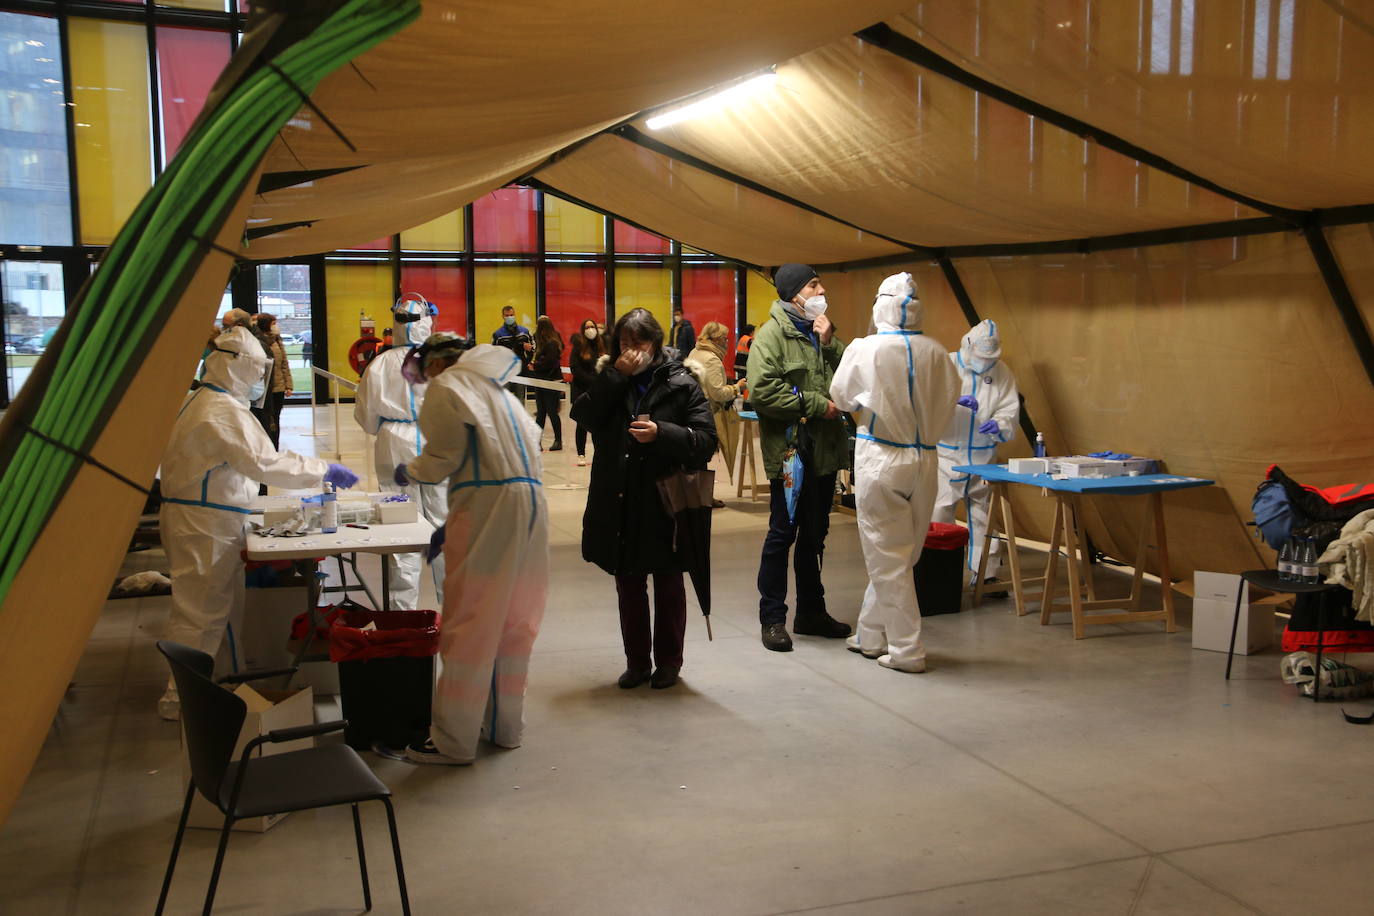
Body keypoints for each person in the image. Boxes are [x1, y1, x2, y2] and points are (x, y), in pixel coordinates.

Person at [158, 325, 359, 720]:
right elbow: (264, 463)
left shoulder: (202, 400)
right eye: (255, 370)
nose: (257, 379)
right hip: (204, 524)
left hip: (205, 518)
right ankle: (178, 698)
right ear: (236, 367)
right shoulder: (220, 411)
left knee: (220, 608)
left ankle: (223, 683)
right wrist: (323, 470)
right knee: (199, 613)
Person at [393, 334, 549, 766]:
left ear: (436, 365)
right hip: (530, 506)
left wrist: (408, 470)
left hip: (488, 506)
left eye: (423, 375)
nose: (425, 384)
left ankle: (452, 740)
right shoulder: (501, 393)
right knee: (516, 618)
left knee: (470, 619)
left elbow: (444, 456)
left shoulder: (450, 385)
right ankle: (504, 728)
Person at [571, 308, 716, 690]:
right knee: (629, 585)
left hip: (665, 502)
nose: (632, 351)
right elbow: (582, 415)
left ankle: (669, 663)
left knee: (669, 584)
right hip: (618, 500)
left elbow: (705, 440)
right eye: (624, 344)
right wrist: (615, 375)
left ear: (655, 343)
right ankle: (636, 662)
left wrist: (663, 433)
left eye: (639, 344)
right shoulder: (611, 378)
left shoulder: (683, 382)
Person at [830, 273, 961, 672]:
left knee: (887, 555)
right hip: (926, 460)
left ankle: (906, 650)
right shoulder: (938, 352)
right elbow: (952, 397)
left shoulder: (865, 349)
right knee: (902, 555)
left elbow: (840, 396)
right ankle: (870, 633)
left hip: (882, 456)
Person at [747, 263, 852, 652]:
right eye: (814, 284)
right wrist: (813, 403)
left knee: (815, 535)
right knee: (782, 535)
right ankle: (772, 618)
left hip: (823, 455)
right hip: (793, 456)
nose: (821, 289)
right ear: (795, 294)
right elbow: (762, 392)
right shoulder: (772, 336)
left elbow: (849, 376)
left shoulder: (819, 333)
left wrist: (831, 343)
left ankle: (811, 612)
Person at [353, 295, 450, 610]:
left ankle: (401, 614)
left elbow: (366, 418)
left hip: (393, 443)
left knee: (401, 526)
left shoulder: (378, 365)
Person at [934, 319, 1020, 588]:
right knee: (940, 512)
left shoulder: (1003, 373)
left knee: (982, 516)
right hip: (947, 455)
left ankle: (987, 573)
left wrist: (1000, 424)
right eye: (981, 356)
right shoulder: (945, 365)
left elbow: (1008, 409)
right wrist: (952, 401)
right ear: (968, 345)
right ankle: (939, 573)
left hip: (983, 456)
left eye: (989, 358)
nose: (985, 362)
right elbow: (923, 402)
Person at [683, 320, 739, 504]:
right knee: (703, 456)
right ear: (717, 339)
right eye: (725, 338)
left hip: (690, 411)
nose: (727, 342)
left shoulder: (695, 351)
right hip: (706, 413)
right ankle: (703, 497)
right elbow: (718, 393)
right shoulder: (712, 359)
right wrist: (736, 388)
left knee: (696, 457)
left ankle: (696, 495)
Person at [568, 317, 606, 467]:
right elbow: (575, 368)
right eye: (587, 327)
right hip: (582, 390)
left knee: (599, 424)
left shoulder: (602, 346)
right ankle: (581, 454)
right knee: (582, 424)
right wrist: (591, 381)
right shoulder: (578, 346)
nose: (591, 330)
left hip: (599, 391)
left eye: (593, 327)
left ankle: (600, 452)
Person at [250, 313, 292, 449]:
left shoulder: (277, 340)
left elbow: (284, 363)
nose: (276, 326)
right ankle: (262, 448)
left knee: (275, 418)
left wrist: (288, 385)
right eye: (274, 323)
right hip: (261, 389)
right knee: (262, 419)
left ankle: (274, 448)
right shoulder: (255, 341)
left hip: (278, 387)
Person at [528, 315, 564, 451]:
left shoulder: (551, 343)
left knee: (551, 411)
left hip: (550, 381)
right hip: (541, 381)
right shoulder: (544, 341)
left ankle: (558, 441)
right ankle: (537, 442)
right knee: (542, 412)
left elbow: (549, 361)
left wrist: (535, 365)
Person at [491, 304, 533, 401]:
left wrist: (528, 360)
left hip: (520, 370)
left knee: (520, 398)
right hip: (505, 371)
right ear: (503, 316)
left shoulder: (524, 332)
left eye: (511, 315)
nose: (509, 317)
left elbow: (533, 348)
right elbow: (493, 353)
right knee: (505, 399)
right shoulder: (498, 334)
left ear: (514, 315)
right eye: (507, 315)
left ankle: (519, 416)